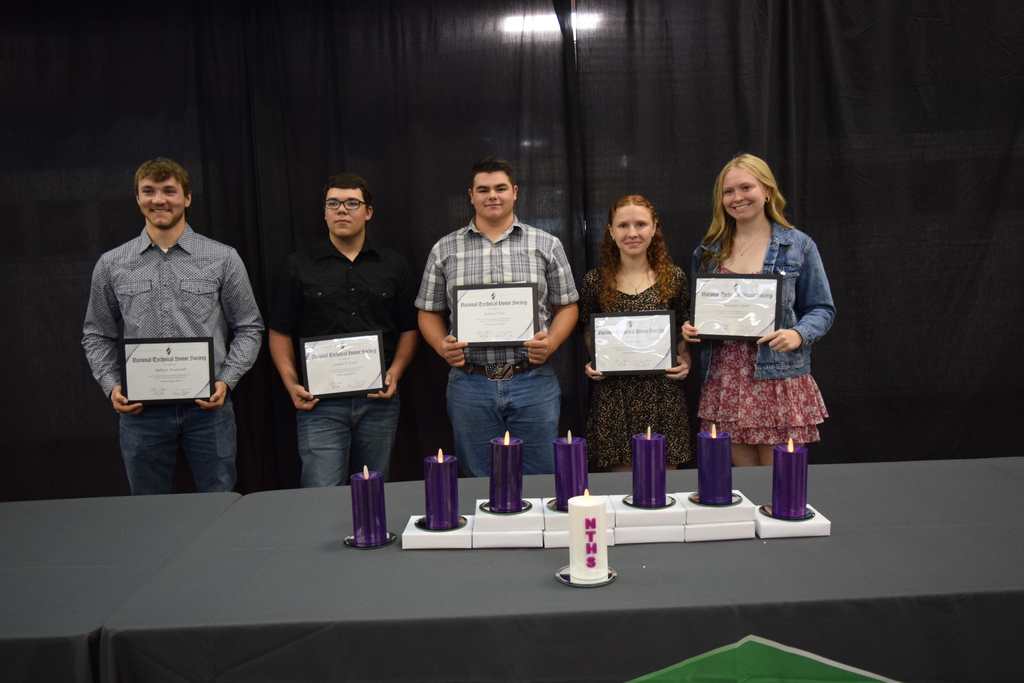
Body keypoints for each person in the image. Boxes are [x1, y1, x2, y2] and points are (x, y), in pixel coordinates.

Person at [82, 158, 264, 494]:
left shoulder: (223, 258)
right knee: (150, 511)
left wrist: (226, 381)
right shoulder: (111, 263)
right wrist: (112, 386)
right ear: (137, 198)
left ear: (187, 197)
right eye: (149, 191)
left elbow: (250, 327)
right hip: (142, 414)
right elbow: (96, 334)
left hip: (208, 411)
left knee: (219, 505)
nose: (159, 200)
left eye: (169, 191)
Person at [416, 156, 579, 477]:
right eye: (483, 189)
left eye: (500, 188)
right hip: (470, 383)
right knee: (480, 482)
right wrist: (441, 346)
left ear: (515, 192)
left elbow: (568, 306)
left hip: (532, 380)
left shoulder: (546, 244)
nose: (492, 195)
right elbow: (428, 312)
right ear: (471, 195)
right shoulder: (444, 249)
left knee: (540, 479)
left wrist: (551, 343)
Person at [683, 154, 835, 466]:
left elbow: (822, 308)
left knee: (780, 481)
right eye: (728, 191)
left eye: (746, 187)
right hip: (725, 381)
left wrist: (798, 334)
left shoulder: (798, 245)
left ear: (767, 190)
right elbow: (702, 308)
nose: (737, 197)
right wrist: (691, 326)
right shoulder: (708, 251)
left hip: (777, 379)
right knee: (743, 484)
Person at [268, 173, 419, 487]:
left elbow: (409, 328)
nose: (341, 210)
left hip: (379, 401)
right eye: (333, 203)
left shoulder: (394, 264)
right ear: (324, 212)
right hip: (319, 404)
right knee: (321, 494)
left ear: (368, 211)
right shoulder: (298, 265)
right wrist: (291, 383)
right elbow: (280, 331)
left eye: (352, 203)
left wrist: (395, 372)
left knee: (372, 492)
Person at [580, 195, 693, 470]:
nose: (632, 233)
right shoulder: (594, 281)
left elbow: (682, 331)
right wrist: (596, 360)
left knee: (665, 487)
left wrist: (686, 360)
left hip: (662, 395)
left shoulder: (674, 278)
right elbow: (588, 329)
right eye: (623, 226)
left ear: (654, 228)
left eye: (640, 224)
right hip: (614, 398)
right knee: (622, 489)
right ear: (611, 231)